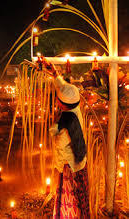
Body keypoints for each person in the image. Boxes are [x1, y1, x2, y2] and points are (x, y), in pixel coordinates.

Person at [43, 59, 90, 219]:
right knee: (81, 199)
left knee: (69, 201)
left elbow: (55, 136)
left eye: (57, 98)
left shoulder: (65, 122)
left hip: (69, 167)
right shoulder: (75, 108)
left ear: (61, 104)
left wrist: (53, 124)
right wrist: (54, 73)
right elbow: (63, 88)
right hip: (79, 164)